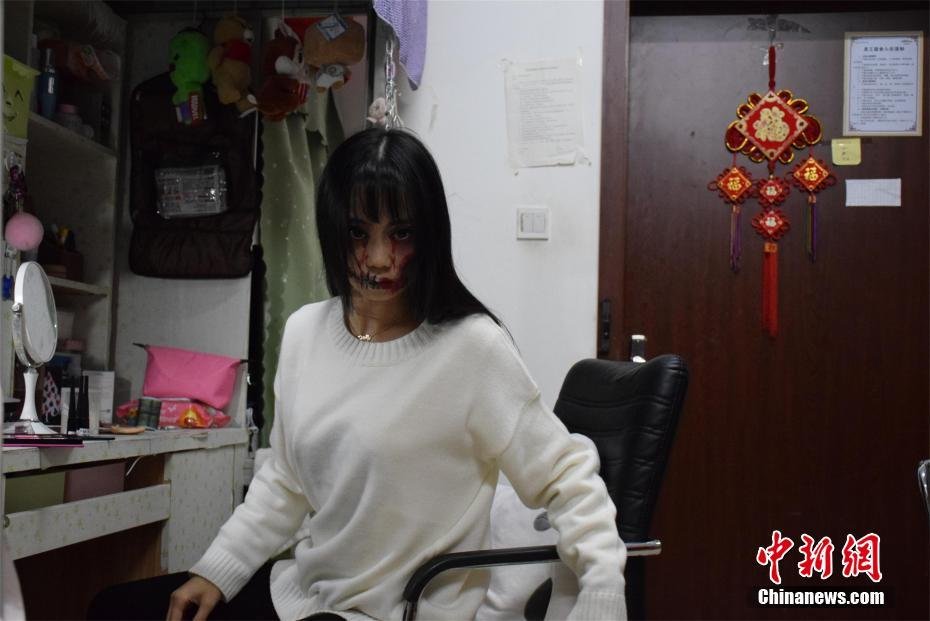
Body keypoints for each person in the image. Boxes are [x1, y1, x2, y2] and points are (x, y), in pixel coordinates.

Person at [88, 127, 627, 621]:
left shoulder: (472, 348)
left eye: (402, 233)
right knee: (116, 608)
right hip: (306, 594)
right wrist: (217, 570)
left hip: (406, 611)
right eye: (357, 232)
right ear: (331, 231)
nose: (379, 258)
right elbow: (286, 480)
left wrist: (602, 589)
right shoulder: (303, 333)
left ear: (430, 236)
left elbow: (567, 477)